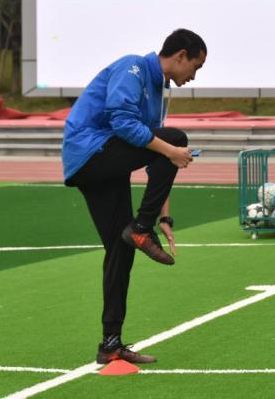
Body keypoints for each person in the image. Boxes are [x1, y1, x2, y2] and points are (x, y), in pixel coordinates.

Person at [62, 29, 207, 364]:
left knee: (121, 248)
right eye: (196, 67)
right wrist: (172, 149)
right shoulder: (134, 67)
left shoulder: (158, 90)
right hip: (90, 153)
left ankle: (110, 344)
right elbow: (124, 124)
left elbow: (159, 158)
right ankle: (140, 228)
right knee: (175, 138)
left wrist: (164, 216)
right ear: (180, 56)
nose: (194, 76)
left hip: (104, 164)